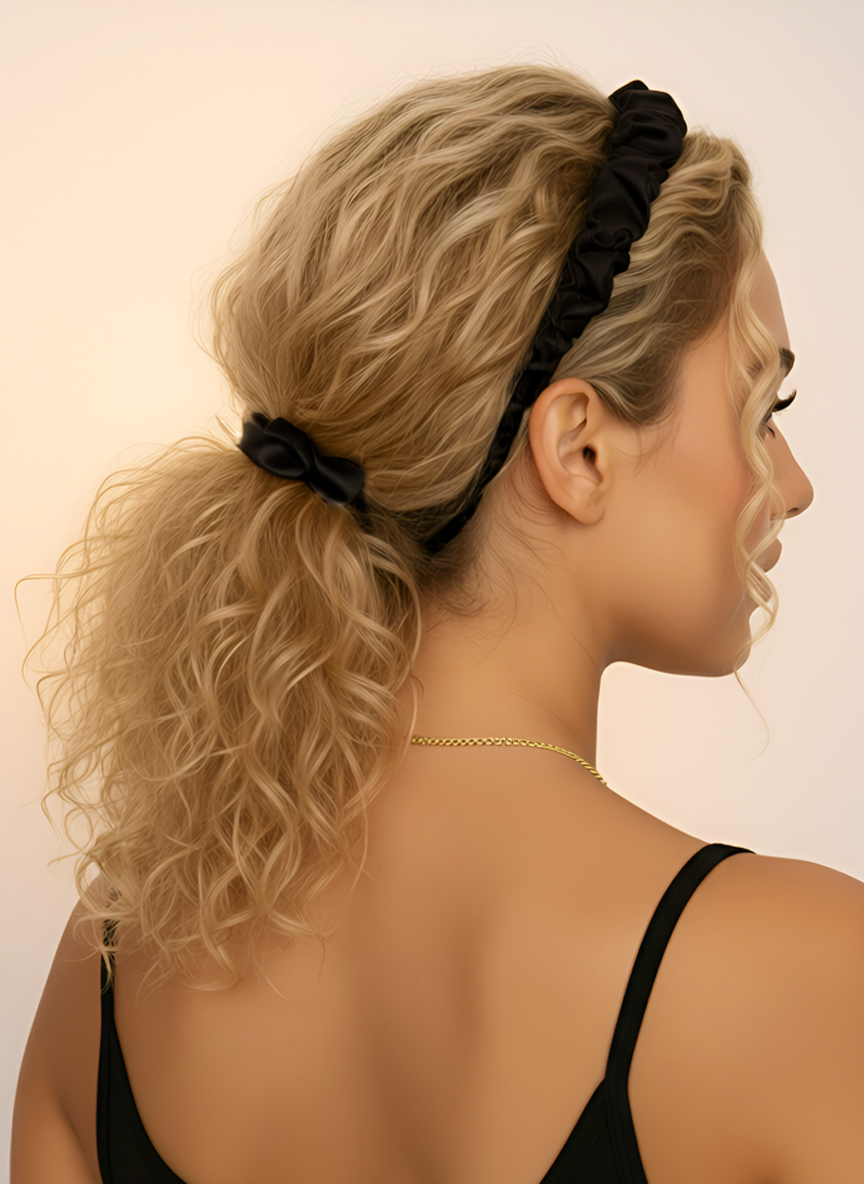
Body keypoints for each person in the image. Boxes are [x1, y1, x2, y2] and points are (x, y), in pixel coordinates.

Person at [10, 64, 864, 1184]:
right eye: (764, 408)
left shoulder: (113, 962)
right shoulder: (801, 973)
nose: (794, 484)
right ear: (580, 447)